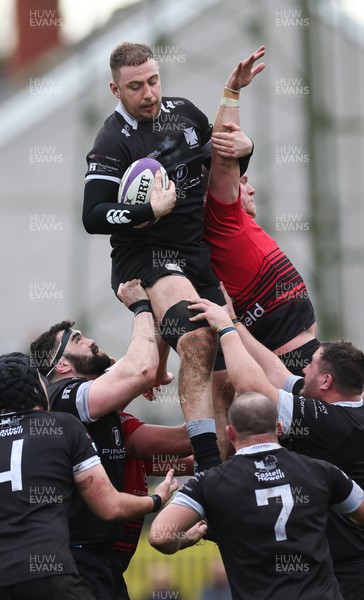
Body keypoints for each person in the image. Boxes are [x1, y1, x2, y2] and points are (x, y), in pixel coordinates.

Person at [82, 41, 265, 472]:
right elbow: (92, 215)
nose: (148, 94)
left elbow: (223, 160)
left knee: (225, 378)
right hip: (145, 257)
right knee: (198, 336)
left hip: (194, 253)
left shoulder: (183, 112)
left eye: (153, 81)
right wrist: (148, 210)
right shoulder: (112, 140)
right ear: (115, 89)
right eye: (135, 87)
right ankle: (204, 463)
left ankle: (216, 470)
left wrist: (246, 146)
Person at [187, 295, 364, 600]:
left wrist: (226, 331)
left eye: (310, 365)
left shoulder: (336, 423)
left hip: (350, 573)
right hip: (331, 565)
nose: (302, 369)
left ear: (325, 381)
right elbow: (277, 374)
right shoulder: (335, 404)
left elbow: (255, 389)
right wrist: (236, 322)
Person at [29, 279, 170, 600]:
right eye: (78, 340)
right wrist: (141, 307)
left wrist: (164, 312)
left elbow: (150, 371)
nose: (92, 340)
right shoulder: (64, 395)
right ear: (62, 364)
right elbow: (144, 371)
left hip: (99, 560)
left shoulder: (95, 409)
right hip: (79, 558)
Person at [149, 392, 364, 600]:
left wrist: (185, 540)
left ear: (230, 433)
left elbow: (159, 536)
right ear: (279, 428)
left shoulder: (210, 482)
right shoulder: (322, 471)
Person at [0, 352, 177, 600]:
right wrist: (156, 500)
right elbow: (110, 507)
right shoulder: (63, 425)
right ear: (38, 388)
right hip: (51, 574)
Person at [204, 75, 319, 376]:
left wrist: (248, 146)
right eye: (243, 183)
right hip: (292, 371)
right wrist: (232, 92)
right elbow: (224, 155)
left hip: (308, 357)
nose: (251, 188)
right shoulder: (222, 220)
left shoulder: (232, 225)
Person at [113, 411, 194, 572]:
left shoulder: (134, 449)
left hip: (111, 569)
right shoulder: (118, 427)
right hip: (94, 566)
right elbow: (186, 440)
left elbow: (192, 463)